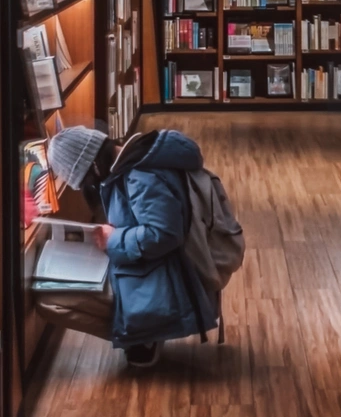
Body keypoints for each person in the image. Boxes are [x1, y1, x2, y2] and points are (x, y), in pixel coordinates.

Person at [43, 126, 218, 367]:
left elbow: (164, 234)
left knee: (49, 299)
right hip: (152, 269)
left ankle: (144, 335)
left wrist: (113, 239)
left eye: (84, 181)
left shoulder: (139, 176)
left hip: (164, 281)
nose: (88, 187)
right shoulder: (134, 164)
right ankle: (142, 332)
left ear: (93, 165)